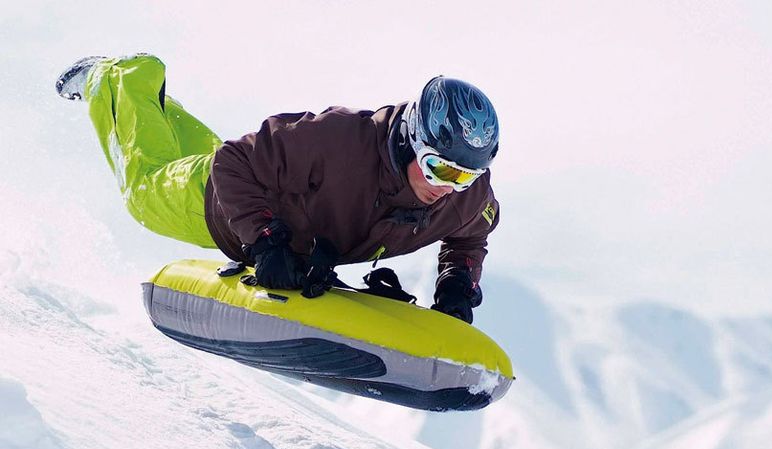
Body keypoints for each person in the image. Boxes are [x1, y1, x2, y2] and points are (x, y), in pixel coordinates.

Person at [55, 54, 500, 324]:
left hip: (267, 183)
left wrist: (458, 281)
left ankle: (158, 107)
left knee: (208, 154)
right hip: (219, 202)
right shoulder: (338, 139)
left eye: (465, 176)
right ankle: (119, 79)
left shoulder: (465, 196)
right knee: (145, 191)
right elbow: (233, 162)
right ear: (410, 140)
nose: (449, 187)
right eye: (440, 169)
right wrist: (266, 240)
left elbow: (471, 235)